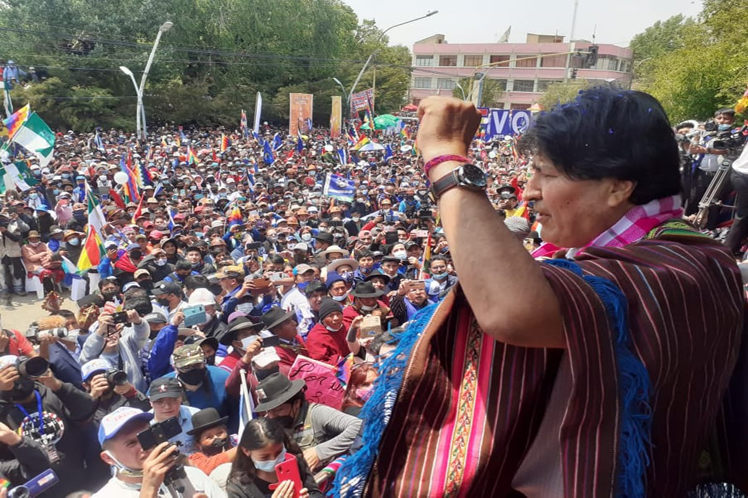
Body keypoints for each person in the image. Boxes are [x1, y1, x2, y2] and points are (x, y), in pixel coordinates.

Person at [335, 91, 746, 497]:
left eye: (546, 174)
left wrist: (446, 158)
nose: (528, 192)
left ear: (617, 187)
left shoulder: (679, 267)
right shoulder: (663, 256)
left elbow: (511, 311)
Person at [0, 360, 97, 496]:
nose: (17, 381)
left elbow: (86, 410)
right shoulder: (3, 411)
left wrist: (57, 385)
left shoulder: (53, 394)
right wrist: (3, 397)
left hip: (82, 480)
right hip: (41, 490)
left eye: (19, 374)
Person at [92, 407, 225, 497]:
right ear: (108, 458)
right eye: (131, 443)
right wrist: (149, 489)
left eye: (146, 436)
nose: (145, 447)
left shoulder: (193, 476)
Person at [254, 373, 362, 472]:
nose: (272, 416)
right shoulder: (268, 425)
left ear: (296, 403)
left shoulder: (317, 413)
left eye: (278, 410)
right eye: (268, 411)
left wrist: (319, 452)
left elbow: (358, 426)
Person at [227, 417, 321, 498]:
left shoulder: (296, 462)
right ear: (246, 451)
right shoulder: (238, 486)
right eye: (264, 457)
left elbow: (315, 493)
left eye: (278, 452)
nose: (274, 460)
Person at [160, 345, 234, 427]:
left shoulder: (223, 378)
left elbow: (237, 410)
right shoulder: (162, 387)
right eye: (186, 367)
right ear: (175, 368)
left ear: (204, 362)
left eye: (197, 365)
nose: (193, 370)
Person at [147, 377, 200, 453]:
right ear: (150, 402)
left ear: (181, 398)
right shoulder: (141, 425)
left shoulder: (195, 416)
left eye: (173, 400)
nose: (167, 406)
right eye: (160, 402)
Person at [187, 407, 239, 476]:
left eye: (220, 433)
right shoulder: (194, 459)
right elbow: (206, 469)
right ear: (198, 444)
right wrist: (240, 449)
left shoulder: (237, 441)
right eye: (209, 437)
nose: (216, 438)